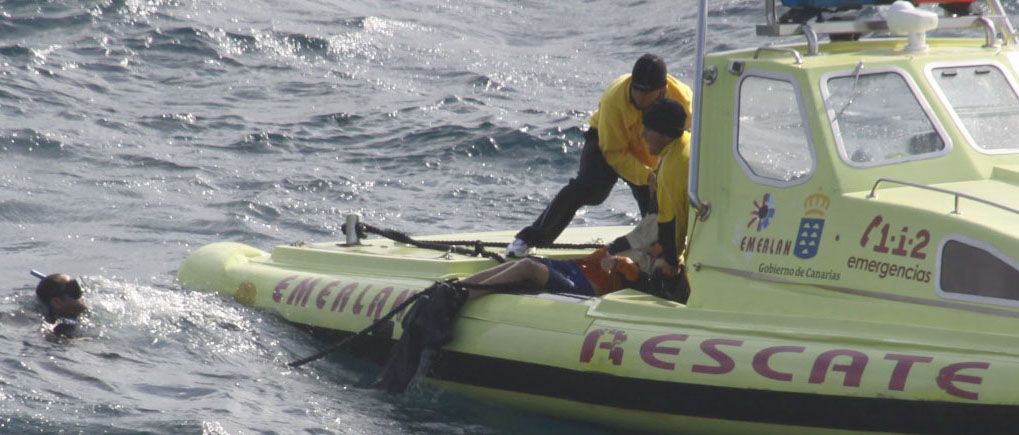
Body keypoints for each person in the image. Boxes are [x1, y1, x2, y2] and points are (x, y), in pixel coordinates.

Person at [507, 53, 694, 257]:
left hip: (651, 151)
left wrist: (659, 176)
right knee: (589, 189)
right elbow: (615, 153)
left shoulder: (684, 101)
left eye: (647, 93)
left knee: (656, 205)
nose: (640, 97)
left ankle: (657, 255)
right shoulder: (614, 100)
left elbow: (683, 143)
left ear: (663, 90)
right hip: (607, 143)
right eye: (636, 89)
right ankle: (528, 239)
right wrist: (647, 176)